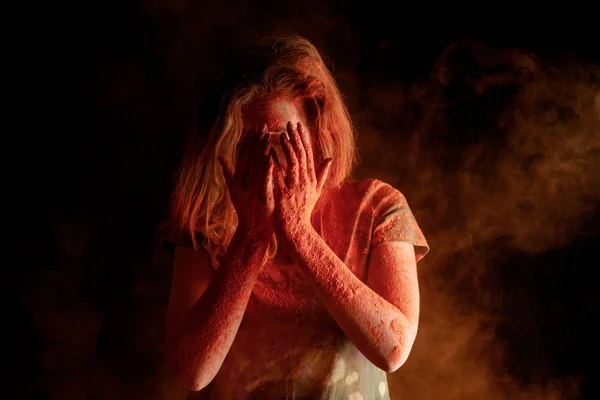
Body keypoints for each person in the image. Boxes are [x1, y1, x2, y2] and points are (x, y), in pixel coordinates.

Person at [160, 34, 429, 400]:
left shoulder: (377, 206)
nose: (265, 164)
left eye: (281, 141)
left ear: (318, 133)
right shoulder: (205, 221)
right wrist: (252, 236)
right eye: (245, 145)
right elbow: (193, 372)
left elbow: (393, 349)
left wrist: (299, 234)